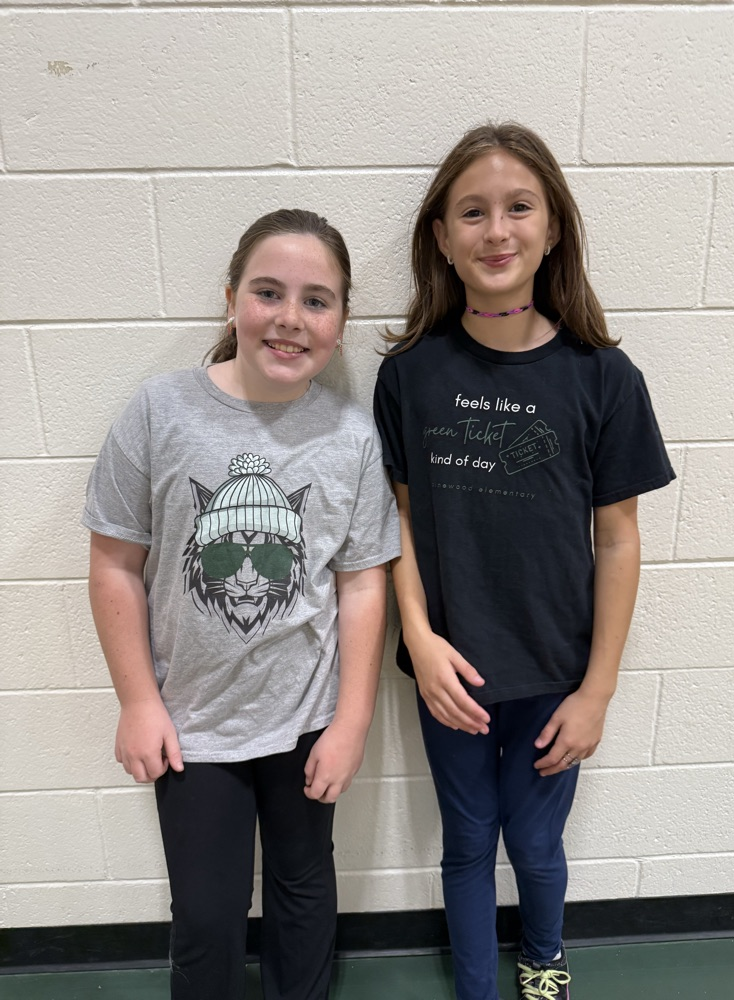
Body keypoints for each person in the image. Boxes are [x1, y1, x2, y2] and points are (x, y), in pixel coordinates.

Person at [373, 123, 675, 1000]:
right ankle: (476, 986)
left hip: (555, 671)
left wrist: (599, 690)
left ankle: (544, 964)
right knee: (467, 843)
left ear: (552, 230)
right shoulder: (411, 375)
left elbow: (617, 537)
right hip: (452, 672)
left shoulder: (602, 377)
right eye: (472, 212)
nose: (496, 230)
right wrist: (421, 641)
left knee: (537, 845)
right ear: (441, 235)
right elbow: (397, 526)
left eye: (518, 208)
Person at [84, 208, 401, 1000]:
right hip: (192, 726)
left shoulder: (352, 437)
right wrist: (137, 702)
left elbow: (363, 581)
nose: (290, 318)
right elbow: (115, 562)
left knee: (303, 894)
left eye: (317, 299)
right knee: (207, 914)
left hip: (305, 718)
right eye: (268, 292)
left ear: (342, 320)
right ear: (231, 299)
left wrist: (353, 718)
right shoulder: (161, 412)